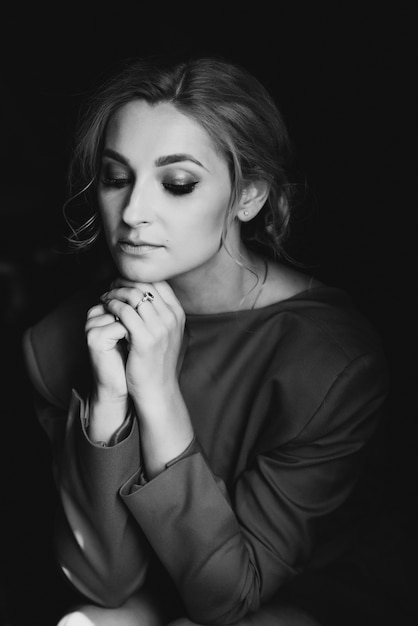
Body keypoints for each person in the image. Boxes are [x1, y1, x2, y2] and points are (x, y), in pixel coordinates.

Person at [22, 55, 389, 625]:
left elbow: (228, 600)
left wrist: (161, 396)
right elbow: (105, 583)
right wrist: (109, 406)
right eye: (117, 178)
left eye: (177, 183)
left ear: (249, 197)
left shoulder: (331, 363)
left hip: (297, 603)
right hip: (151, 596)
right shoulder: (58, 344)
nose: (134, 211)